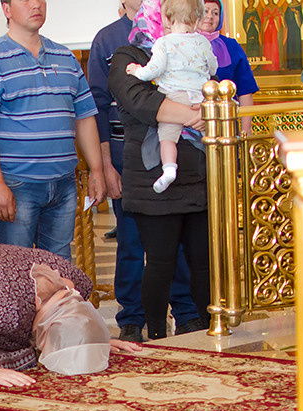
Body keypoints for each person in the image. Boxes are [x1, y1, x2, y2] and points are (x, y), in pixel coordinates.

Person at [88, 0, 199, 343]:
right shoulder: (110, 40)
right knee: (132, 241)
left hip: (178, 148)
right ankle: (132, 318)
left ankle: (186, 312)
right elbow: (98, 105)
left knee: (177, 241)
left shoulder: (179, 28)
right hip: (128, 153)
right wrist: (105, 164)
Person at [0, 0, 106, 262]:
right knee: (16, 268)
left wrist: (97, 170)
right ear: (7, 10)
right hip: (18, 184)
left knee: (57, 267)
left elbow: (85, 117)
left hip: (63, 183)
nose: (36, 5)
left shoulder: (66, 58)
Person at [0, 244, 141, 404]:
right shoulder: (7, 310)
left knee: (24, 364)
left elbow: (74, 318)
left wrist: (92, 338)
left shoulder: (79, 282)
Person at [125, 0, 216, 194]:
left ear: (166, 19)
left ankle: (169, 169)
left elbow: (153, 70)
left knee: (167, 137)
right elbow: (213, 67)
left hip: (175, 96)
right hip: (200, 97)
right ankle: (215, 167)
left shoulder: (164, 42)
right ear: (197, 20)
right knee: (210, 136)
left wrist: (137, 70)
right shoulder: (203, 42)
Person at [200, 0, 260, 105]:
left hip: (227, 112)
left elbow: (245, 90)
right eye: (205, 11)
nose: (210, 16)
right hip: (190, 113)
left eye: (215, 13)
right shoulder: (182, 43)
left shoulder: (232, 46)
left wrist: (246, 116)